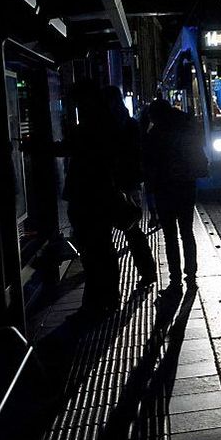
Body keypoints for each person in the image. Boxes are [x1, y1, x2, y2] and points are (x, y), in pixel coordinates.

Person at [60, 82, 122, 315]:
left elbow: (70, 148)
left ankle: (98, 298)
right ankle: (108, 296)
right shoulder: (106, 122)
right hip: (100, 194)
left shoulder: (90, 125)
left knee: (93, 249)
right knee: (102, 247)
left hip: (87, 196)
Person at [143, 97, 208, 289]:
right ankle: (191, 271)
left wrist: (151, 201)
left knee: (170, 235)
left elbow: (149, 167)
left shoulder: (154, 135)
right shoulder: (187, 126)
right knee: (187, 231)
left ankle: (175, 277)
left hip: (164, 189)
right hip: (187, 185)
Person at [102, 86, 157, 287]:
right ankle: (148, 271)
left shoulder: (105, 127)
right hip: (129, 183)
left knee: (114, 233)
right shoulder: (131, 124)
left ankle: (111, 285)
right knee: (133, 230)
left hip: (112, 185)